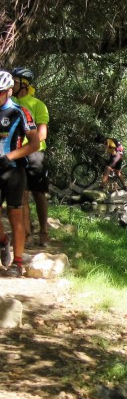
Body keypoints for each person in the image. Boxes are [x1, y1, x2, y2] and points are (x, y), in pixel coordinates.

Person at [0, 70, 40, 277]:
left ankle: (17, 263)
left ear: (8, 91)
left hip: (14, 171)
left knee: (15, 217)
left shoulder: (20, 112)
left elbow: (35, 143)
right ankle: (3, 242)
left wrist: (11, 156)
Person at [11, 67, 50, 246]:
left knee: (39, 194)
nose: (12, 84)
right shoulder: (8, 102)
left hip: (35, 154)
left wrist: (24, 148)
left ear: (25, 85)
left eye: (16, 81)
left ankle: (43, 231)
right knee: (22, 194)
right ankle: (26, 234)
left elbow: (41, 135)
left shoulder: (38, 105)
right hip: (15, 154)